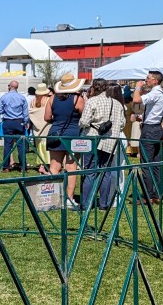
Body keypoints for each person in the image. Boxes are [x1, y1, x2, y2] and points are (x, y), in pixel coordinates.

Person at [79, 78, 125, 210]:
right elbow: (122, 124)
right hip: (110, 141)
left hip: (92, 139)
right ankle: (103, 203)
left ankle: (86, 203)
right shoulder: (117, 104)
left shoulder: (92, 101)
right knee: (106, 172)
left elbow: (84, 121)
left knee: (89, 172)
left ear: (94, 87)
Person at [44, 73, 87, 209]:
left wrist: (57, 120)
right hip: (73, 134)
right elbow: (84, 116)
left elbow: (46, 117)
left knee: (54, 167)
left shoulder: (51, 99)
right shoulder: (77, 99)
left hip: (55, 133)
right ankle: (68, 198)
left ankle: (51, 198)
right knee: (71, 167)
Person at [133, 70, 163, 203]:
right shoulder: (162, 93)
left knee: (146, 163)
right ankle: (156, 194)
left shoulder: (155, 93)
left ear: (155, 80)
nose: (146, 80)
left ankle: (148, 195)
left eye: (148, 78)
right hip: (157, 128)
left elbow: (136, 100)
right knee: (156, 163)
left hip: (150, 129)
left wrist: (137, 87)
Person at [0, 79, 30, 172]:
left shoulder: (4, 97)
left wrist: (6, 110)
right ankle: (23, 167)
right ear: (17, 87)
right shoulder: (22, 97)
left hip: (8, 122)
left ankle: (6, 166)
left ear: (9, 86)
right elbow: (25, 112)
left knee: (7, 145)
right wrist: (26, 122)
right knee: (21, 145)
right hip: (19, 122)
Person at [28, 82, 52, 174]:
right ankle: (46, 165)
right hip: (47, 125)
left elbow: (32, 114)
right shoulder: (49, 100)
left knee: (39, 146)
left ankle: (41, 164)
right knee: (47, 146)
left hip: (36, 127)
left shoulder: (33, 101)